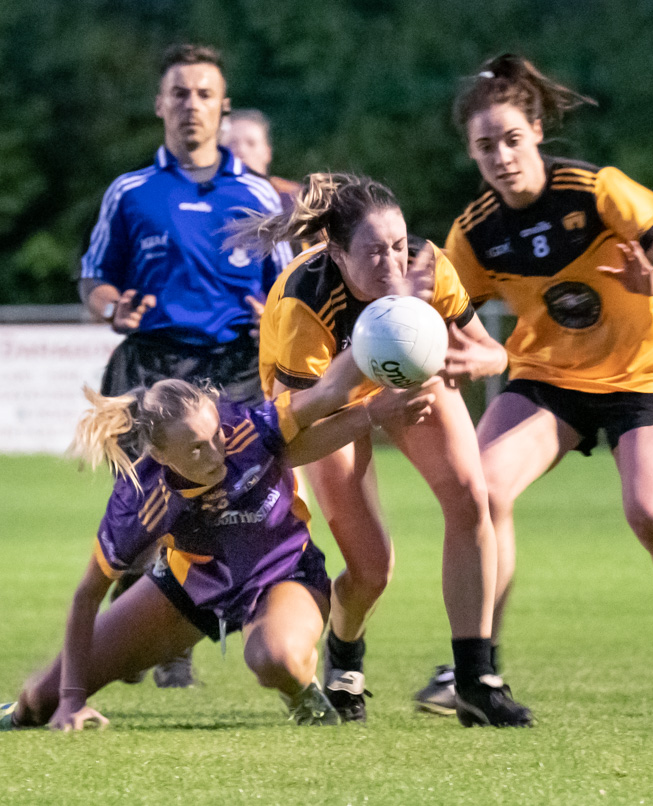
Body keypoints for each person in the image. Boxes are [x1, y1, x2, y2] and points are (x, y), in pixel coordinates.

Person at [414, 53, 653, 719]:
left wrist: (652, 280)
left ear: (535, 128)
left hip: (641, 367)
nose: (500, 156)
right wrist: (419, 323)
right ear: (470, 154)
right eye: (484, 147)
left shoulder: (596, 190)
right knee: (482, 493)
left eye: (510, 138)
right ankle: (475, 669)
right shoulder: (474, 232)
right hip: (547, 375)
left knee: (649, 513)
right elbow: (450, 320)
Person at [0, 352, 439, 731]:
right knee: (40, 702)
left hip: (284, 573)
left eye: (214, 435)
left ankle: (305, 697)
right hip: (188, 591)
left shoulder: (245, 426)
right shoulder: (141, 500)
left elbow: (330, 393)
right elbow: (86, 595)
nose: (215, 452)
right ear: (159, 453)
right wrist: (70, 701)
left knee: (275, 658)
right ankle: (8, 713)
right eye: (195, 448)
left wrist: (381, 357)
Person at [238, 172, 534, 727]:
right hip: (327, 402)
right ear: (335, 250)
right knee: (373, 568)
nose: (395, 265)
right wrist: (372, 412)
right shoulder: (306, 303)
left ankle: (476, 679)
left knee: (471, 499)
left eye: (399, 244)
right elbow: (289, 445)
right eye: (374, 252)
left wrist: (483, 362)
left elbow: (494, 353)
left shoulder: (427, 267)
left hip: (408, 380)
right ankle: (345, 659)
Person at [77, 44, 293, 687]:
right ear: (160, 105)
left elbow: (290, 294)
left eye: (203, 94)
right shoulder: (132, 192)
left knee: (219, 513)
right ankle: (136, 623)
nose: (190, 105)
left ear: (222, 107)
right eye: (179, 93)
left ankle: (177, 644)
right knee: (142, 515)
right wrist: (111, 305)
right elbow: (94, 278)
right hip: (149, 370)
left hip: (229, 370)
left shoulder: (256, 194)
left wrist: (273, 320)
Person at [219, 109, 303, 204]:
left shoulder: (295, 197)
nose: (241, 150)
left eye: (251, 143)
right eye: (232, 143)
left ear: (267, 152)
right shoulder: (209, 196)